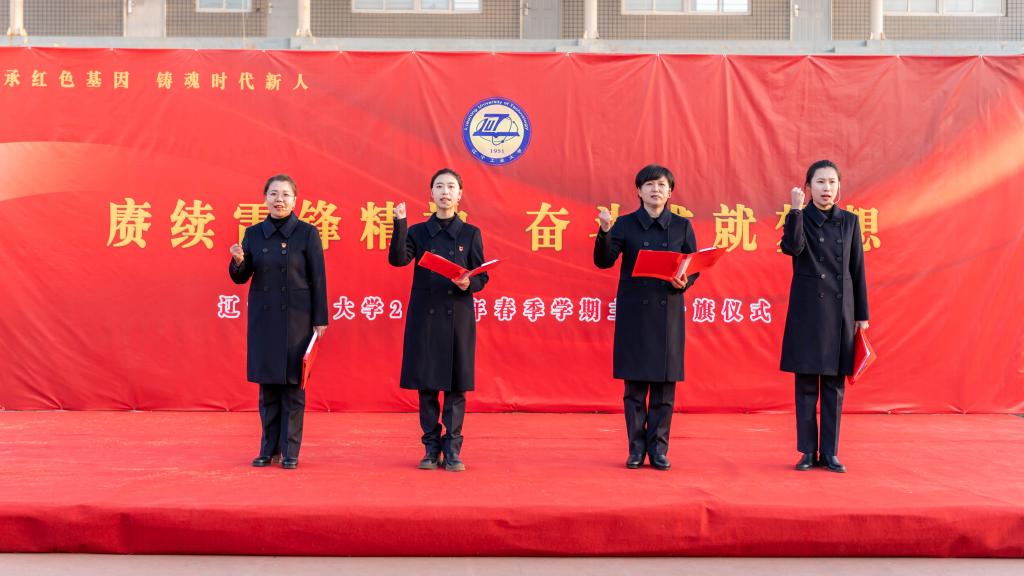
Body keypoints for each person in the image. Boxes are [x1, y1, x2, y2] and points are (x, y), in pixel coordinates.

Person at [594, 164, 698, 471]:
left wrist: (684, 281)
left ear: (670, 192)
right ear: (639, 191)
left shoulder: (682, 226)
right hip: (635, 315)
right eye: (649, 184)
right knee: (635, 390)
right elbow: (603, 261)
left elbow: (693, 265)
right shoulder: (625, 225)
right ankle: (636, 449)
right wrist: (605, 231)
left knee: (665, 390)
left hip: (668, 315)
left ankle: (659, 449)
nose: (656, 190)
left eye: (662, 185)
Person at [388, 168, 489, 472]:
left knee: (456, 387)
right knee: (427, 386)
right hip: (426, 318)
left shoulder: (471, 233)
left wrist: (469, 282)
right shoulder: (418, 232)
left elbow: (482, 276)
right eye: (440, 187)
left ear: (460, 195)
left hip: (458, 317)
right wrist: (400, 223)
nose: (445, 192)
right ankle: (431, 448)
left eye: (451, 187)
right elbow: (398, 260)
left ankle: (453, 449)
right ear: (431, 193)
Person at [229, 174, 328, 470]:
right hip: (265, 320)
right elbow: (241, 277)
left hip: (298, 320)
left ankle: (290, 451)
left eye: (285, 194)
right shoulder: (253, 234)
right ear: (265, 199)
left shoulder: (307, 233)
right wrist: (238, 261)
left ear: (295, 200)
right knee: (268, 390)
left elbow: (318, 278)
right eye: (273, 194)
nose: (279, 199)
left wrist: (320, 319)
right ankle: (267, 449)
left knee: (294, 389)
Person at [780, 160, 869, 474]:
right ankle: (807, 451)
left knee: (834, 386)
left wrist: (861, 314)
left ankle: (830, 453)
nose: (826, 188)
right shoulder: (798, 218)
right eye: (820, 182)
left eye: (832, 182)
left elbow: (857, 269)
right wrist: (795, 210)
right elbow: (792, 248)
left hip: (840, 313)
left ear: (839, 186)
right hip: (807, 312)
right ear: (808, 187)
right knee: (806, 386)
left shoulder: (849, 221)